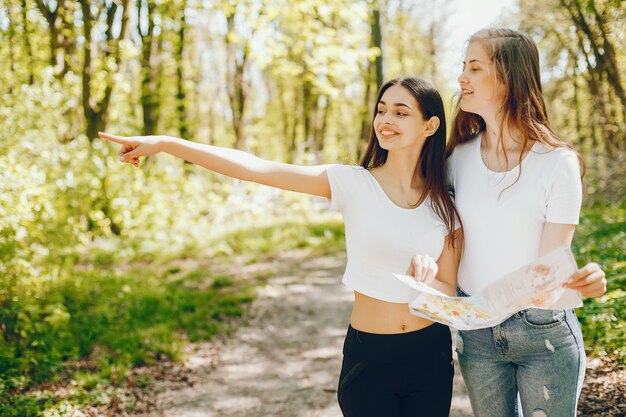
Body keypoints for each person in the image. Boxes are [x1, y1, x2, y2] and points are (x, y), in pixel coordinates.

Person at [99, 76, 461, 417]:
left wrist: (427, 283)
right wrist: (167, 144)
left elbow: (449, 291)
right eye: (381, 109)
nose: (386, 119)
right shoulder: (351, 183)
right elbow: (256, 168)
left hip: (429, 353)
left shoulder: (444, 202)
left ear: (429, 126)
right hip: (370, 355)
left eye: (401, 112)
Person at [445, 28, 607, 417]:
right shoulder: (455, 159)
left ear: (508, 78)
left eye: (475, 67)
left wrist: (583, 280)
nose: (461, 78)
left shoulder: (557, 162)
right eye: (463, 67)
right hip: (477, 335)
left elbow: (552, 262)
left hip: (543, 333)